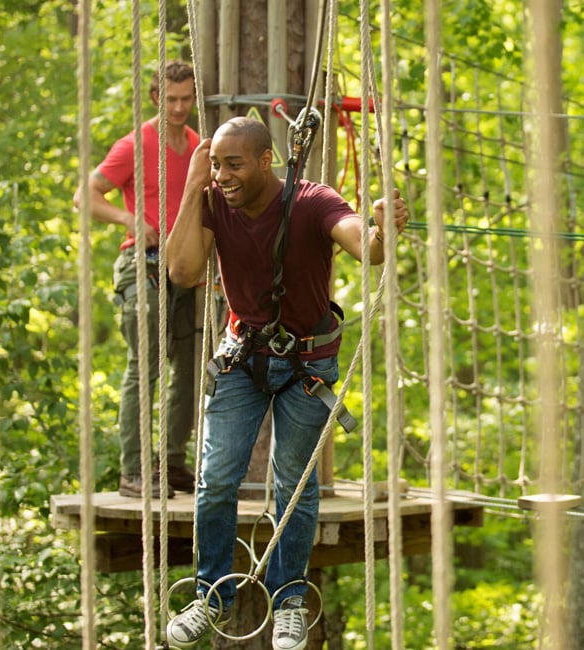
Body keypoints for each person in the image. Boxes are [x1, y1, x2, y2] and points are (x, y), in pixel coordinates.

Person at [164, 116, 409, 650]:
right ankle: (211, 595)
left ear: (265, 160)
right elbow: (182, 272)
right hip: (242, 358)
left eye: (234, 164)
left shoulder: (312, 200)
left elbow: (364, 249)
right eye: (216, 165)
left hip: (306, 366)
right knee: (216, 479)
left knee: (295, 487)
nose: (222, 175)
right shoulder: (210, 202)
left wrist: (383, 230)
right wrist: (190, 189)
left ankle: (289, 600)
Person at [73, 60, 200, 499]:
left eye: (186, 99)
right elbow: (84, 196)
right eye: (171, 99)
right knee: (144, 366)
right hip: (142, 265)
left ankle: (172, 462)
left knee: (189, 369)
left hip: (185, 269)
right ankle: (134, 469)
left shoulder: (198, 146)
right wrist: (128, 217)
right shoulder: (134, 145)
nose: (179, 107)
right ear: (155, 98)